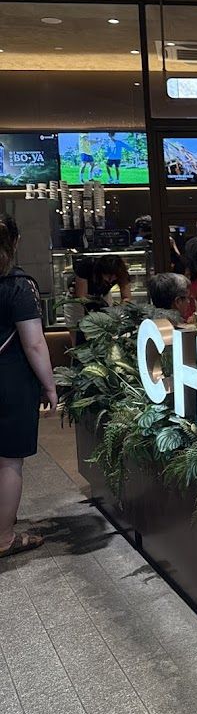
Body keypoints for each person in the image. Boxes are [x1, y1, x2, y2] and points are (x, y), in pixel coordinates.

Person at [0, 214, 58, 558]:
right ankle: (5, 537)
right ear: (16, 242)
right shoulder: (19, 285)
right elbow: (34, 344)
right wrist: (50, 387)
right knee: (8, 462)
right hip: (10, 382)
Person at [64, 255, 132, 340]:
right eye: (108, 276)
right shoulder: (86, 266)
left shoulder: (122, 274)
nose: (111, 280)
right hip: (78, 300)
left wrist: (119, 312)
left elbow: (126, 297)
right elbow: (81, 297)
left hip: (103, 296)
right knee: (78, 332)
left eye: (114, 276)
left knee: (105, 331)